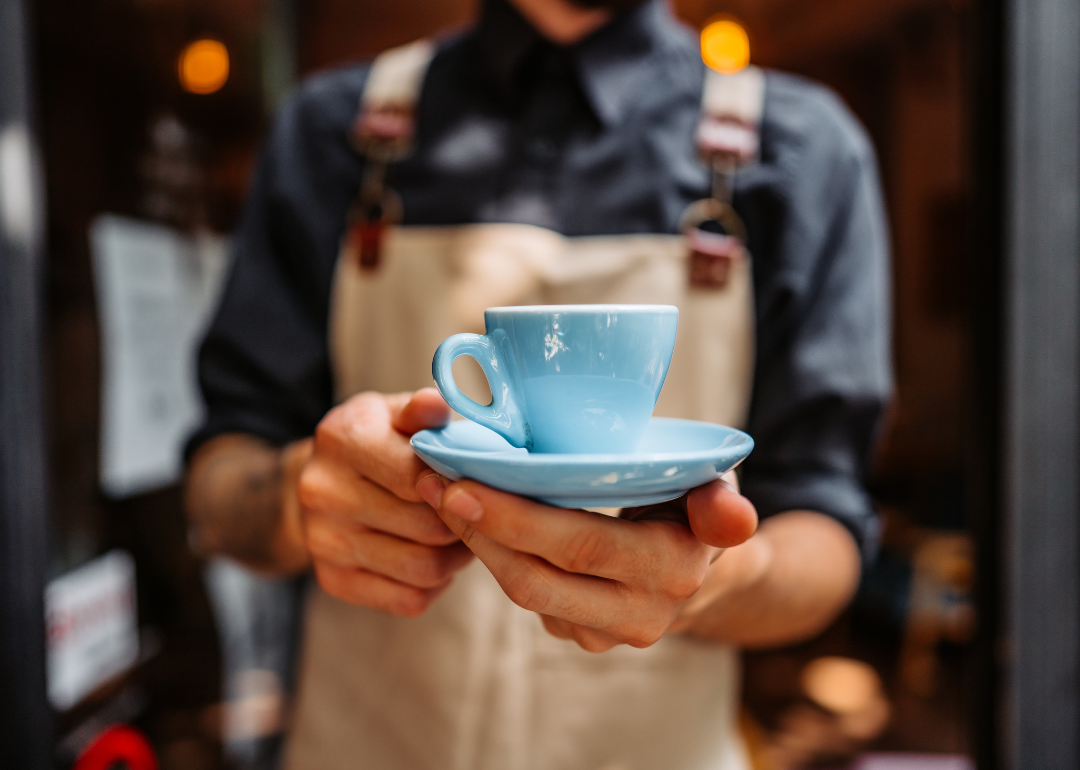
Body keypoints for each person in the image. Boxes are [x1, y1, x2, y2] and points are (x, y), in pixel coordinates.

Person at [184, 0, 891, 767]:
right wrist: (299, 500)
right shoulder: (330, 132)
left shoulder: (804, 149)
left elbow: (826, 527)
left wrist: (717, 578)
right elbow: (218, 480)